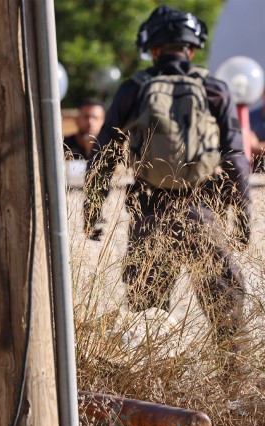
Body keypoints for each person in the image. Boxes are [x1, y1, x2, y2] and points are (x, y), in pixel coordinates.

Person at [84, 6, 252, 352]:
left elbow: (103, 154)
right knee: (228, 319)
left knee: (145, 322)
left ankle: (151, 399)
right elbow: (237, 159)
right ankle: (235, 397)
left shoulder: (134, 89)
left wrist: (92, 211)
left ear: (154, 48)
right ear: (192, 48)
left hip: (149, 216)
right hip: (203, 215)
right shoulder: (214, 89)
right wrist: (244, 214)